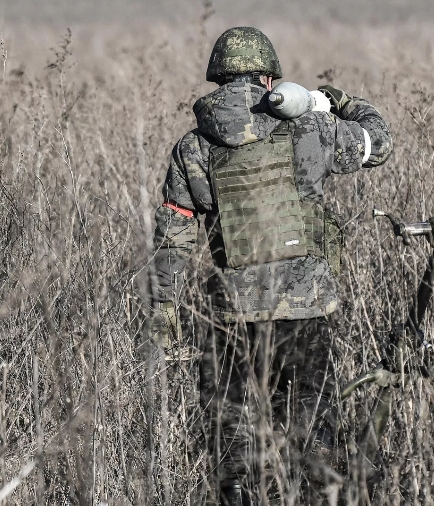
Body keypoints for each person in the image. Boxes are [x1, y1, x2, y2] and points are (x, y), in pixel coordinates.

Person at [149, 26, 392, 506]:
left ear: (218, 79)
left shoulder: (192, 148)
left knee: (233, 445)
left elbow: (172, 241)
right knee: (313, 434)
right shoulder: (309, 128)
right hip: (305, 311)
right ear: (268, 78)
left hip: (232, 317)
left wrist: (165, 316)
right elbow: (378, 144)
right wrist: (338, 100)